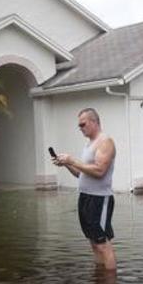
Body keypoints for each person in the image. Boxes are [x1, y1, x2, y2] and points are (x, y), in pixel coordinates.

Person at [53, 108, 117, 270]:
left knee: (102, 244)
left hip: (99, 198)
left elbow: (99, 171)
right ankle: (100, 279)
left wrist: (72, 160)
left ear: (94, 122)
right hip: (85, 198)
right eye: (79, 126)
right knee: (93, 243)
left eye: (83, 124)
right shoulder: (89, 144)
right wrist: (67, 164)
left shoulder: (105, 142)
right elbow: (80, 175)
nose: (80, 128)